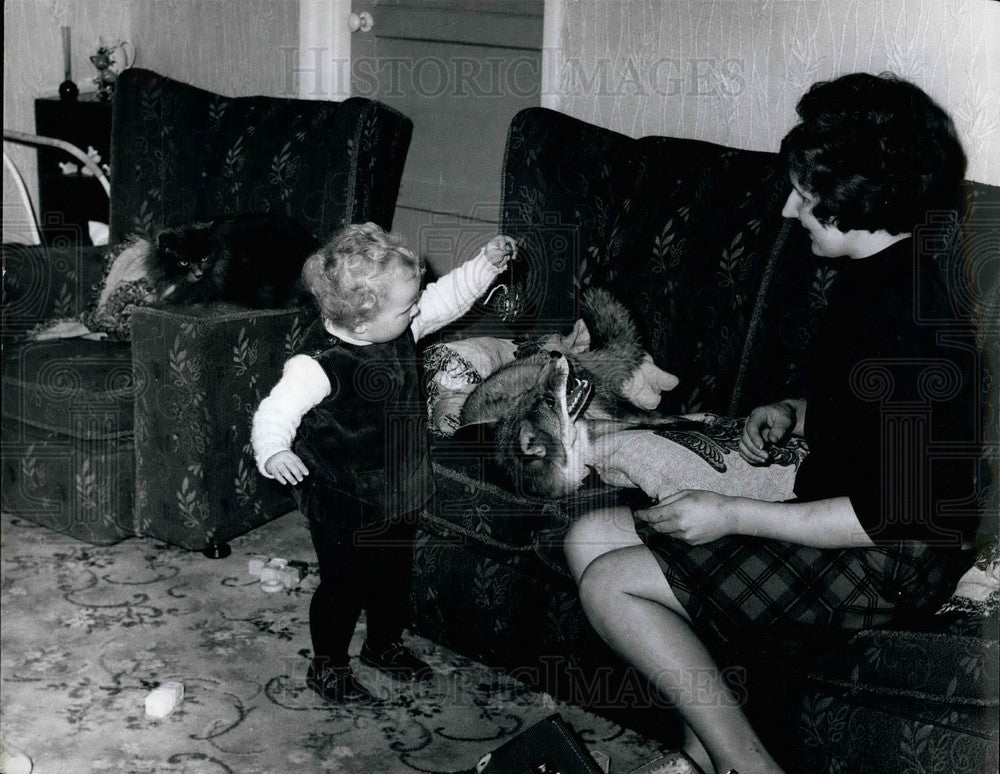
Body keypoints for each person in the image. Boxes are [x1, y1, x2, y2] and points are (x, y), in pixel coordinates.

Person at [564, 73, 980, 774]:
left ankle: (749, 767)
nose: (790, 210)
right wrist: (794, 410)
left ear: (859, 196)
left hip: (894, 555)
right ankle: (703, 752)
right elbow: (869, 410)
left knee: (612, 583)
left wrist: (730, 512)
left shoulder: (913, 316)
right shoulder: (871, 275)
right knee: (588, 535)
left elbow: (900, 509)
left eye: (807, 196)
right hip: (843, 511)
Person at [252, 223, 515, 702]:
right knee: (342, 587)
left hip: (399, 488)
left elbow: (445, 297)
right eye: (406, 305)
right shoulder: (316, 364)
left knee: (393, 577)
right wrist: (274, 450)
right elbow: (275, 411)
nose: (417, 310)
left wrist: (483, 267)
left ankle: (383, 645)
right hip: (344, 502)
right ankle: (328, 664)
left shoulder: (399, 324)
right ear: (362, 322)